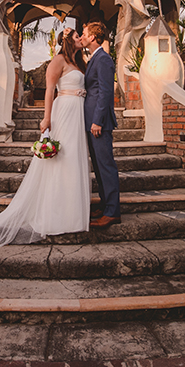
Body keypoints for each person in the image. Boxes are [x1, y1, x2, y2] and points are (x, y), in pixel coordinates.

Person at [0, 28, 90, 246]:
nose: (80, 38)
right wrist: (46, 119)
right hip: (63, 112)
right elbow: (49, 90)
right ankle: (54, 214)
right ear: (68, 40)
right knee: (61, 160)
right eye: (77, 36)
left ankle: (73, 213)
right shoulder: (58, 60)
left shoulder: (81, 63)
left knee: (75, 160)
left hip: (78, 114)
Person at [80, 20, 120, 227]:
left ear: (93, 37)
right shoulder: (93, 58)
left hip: (99, 123)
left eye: (84, 33)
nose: (82, 36)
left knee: (105, 166)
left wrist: (97, 121)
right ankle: (106, 205)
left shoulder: (103, 59)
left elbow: (105, 92)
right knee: (98, 165)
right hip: (91, 121)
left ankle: (113, 211)